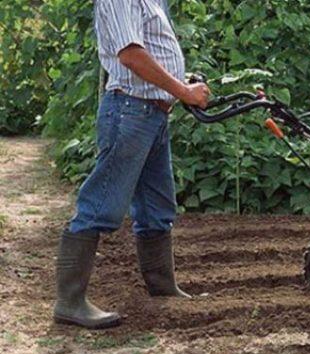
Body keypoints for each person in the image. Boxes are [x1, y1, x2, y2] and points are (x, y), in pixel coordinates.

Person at [52, 0, 210, 329]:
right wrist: (183, 90)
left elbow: (150, 48)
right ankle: (70, 302)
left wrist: (178, 78)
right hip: (130, 111)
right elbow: (130, 54)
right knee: (101, 204)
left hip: (151, 114)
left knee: (157, 208)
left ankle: (163, 289)